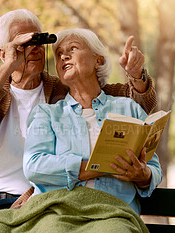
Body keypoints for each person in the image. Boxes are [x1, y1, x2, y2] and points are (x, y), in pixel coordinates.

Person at [0, 9, 157, 215]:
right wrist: (7, 67)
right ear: (2, 52)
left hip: (26, 203)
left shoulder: (62, 88)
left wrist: (137, 76)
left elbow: (130, 101)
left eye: (39, 40)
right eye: (24, 43)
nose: (35, 48)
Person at [23, 28, 162, 214]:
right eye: (59, 54)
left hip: (114, 212)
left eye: (72, 49)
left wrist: (144, 175)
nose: (64, 56)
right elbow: (34, 166)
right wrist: (97, 167)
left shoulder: (128, 108)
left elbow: (154, 167)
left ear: (98, 60)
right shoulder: (46, 114)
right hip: (61, 212)